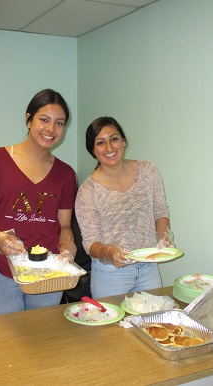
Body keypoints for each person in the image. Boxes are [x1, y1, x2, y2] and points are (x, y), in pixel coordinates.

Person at [0, 89, 77, 317]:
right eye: (44, 120)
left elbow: (64, 225)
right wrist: (0, 237)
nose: (51, 129)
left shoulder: (66, 174)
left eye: (59, 123)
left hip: (47, 270)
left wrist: (68, 248)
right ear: (29, 119)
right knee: (3, 341)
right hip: (0, 265)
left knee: (42, 337)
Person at [75, 116, 175, 298]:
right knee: (111, 326)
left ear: (123, 140)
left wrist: (164, 236)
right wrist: (109, 252)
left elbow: (160, 211)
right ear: (93, 150)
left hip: (148, 268)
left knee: (151, 321)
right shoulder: (87, 191)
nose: (109, 148)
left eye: (114, 139)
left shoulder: (148, 170)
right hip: (110, 274)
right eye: (100, 143)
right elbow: (90, 243)